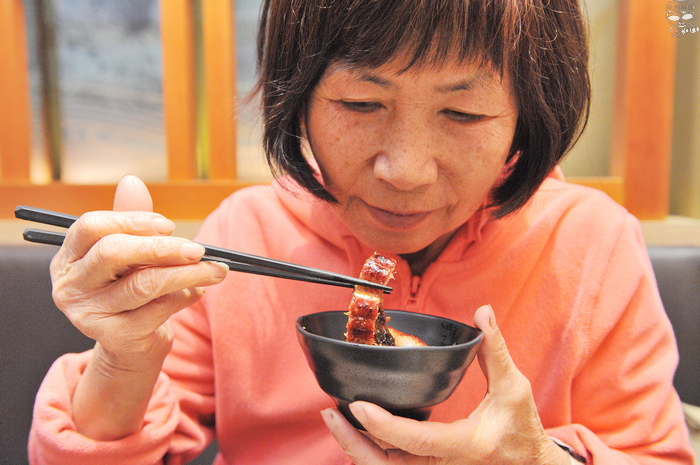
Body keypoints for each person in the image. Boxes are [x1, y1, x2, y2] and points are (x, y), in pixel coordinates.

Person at [28, 0, 695, 463]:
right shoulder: (244, 236)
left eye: (461, 112)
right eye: (361, 103)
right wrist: (124, 355)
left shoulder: (592, 245)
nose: (403, 170)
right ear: (299, 97)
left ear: (528, 112)